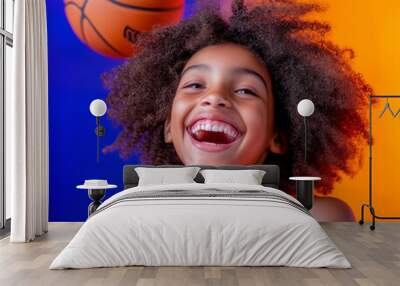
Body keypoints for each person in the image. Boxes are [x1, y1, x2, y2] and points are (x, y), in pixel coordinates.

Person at [103, 0, 371, 221]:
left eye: (245, 90)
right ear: (169, 128)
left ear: (277, 134)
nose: (215, 97)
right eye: (195, 84)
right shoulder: (138, 215)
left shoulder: (317, 216)